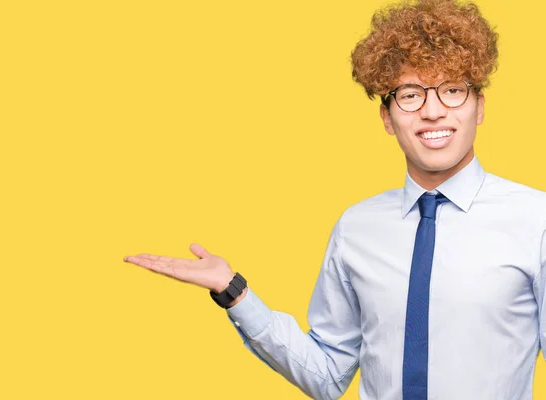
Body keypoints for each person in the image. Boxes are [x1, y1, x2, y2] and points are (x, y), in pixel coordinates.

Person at [124, 0, 546, 398]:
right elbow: (326, 376)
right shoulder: (357, 228)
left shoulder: (535, 220)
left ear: (480, 106)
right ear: (387, 116)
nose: (433, 111)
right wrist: (235, 293)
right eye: (410, 94)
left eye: (452, 90)